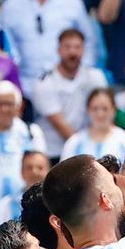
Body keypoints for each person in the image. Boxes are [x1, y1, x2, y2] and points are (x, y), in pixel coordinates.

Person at [0, 0, 103, 89]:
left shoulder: (72, 2)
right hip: (24, 86)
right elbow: (1, 46)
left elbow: (89, 43)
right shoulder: (10, 6)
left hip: (67, 86)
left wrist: (80, 76)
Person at [33, 28, 110, 157]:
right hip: (54, 152)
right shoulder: (44, 83)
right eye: (67, 47)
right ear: (59, 50)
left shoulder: (95, 76)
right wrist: (86, 151)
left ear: (84, 50)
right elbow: (61, 126)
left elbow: (106, 111)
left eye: (77, 47)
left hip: (89, 149)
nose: (72, 52)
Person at [60, 88, 125, 162]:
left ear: (114, 110)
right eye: (95, 109)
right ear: (88, 110)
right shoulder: (74, 143)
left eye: (105, 109)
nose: (100, 114)